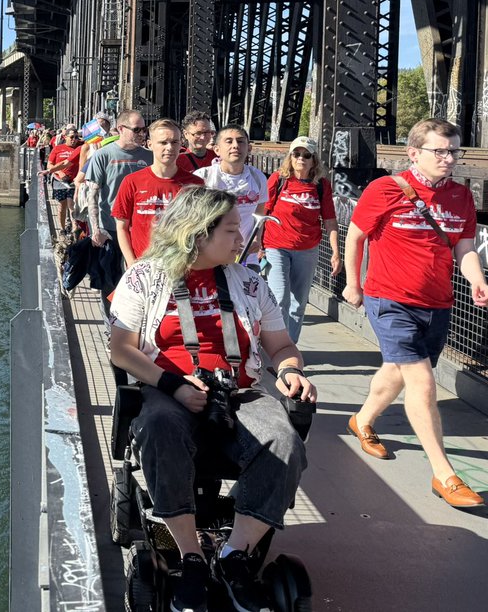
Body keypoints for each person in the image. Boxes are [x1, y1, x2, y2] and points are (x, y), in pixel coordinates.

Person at [110, 187, 315, 612]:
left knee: (284, 441)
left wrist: (292, 370)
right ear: (197, 234)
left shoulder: (248, 281)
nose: (242, 239)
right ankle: (190, 555)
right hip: (170, 389)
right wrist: (173, 386)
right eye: (231, 230)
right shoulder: (144, 278)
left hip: (238, 392)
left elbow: (280, 345)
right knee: (161, 427)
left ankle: (233, 554)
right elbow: (121, 349)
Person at [342, 117, 488, 509]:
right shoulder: (385, 189)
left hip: (437, 303)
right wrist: (354, 284)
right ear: (414, 153)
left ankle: (363, 420)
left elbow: (464, 247)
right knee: (422, 380)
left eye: (454, 150)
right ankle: (444, 474)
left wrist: (476, 279)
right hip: (389, 299)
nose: (449, 158)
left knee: (397, 372)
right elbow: (356, 235)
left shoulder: (461, 196)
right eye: (439, 150)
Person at [261, 136, 339, 343]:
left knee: (299, 301)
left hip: (307, 248)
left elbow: (330, 220)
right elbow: (263, 213)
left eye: (306, 155)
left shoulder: (321, 185)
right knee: (280, 299)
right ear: (290, 157)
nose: (300, 158)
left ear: (314, 160)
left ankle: (291, 346)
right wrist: (257, 244)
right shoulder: (279, 180)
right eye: (296, 154)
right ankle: (277, 348)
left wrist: (336, 252)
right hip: (276, 245)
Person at [77, 109, 152, 311]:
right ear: (121, 129)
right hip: (109, 228)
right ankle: (112, 326)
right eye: (137, 129)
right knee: (109, 279)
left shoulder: (150, 157)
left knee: (139, 279)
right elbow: (92, 195)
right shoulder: (103, 155)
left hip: (141, 229)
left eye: (144, 130)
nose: (142, 134)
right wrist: (96, 230)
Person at [112, 118, 200, 267]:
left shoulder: (195, 184)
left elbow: (200, 228)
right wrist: (132, 263)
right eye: (163, 142)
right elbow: (121, 227)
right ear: (150, 144)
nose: (169, 147)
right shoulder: (132, 182)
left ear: (181, 145)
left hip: (180, 266)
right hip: (142, 265)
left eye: (174, 142)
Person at [193, 124, 267, 265]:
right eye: (229, 141)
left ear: (249, 148)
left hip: (247, 255)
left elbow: (260, 212)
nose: (235, 146)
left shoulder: (258, 177)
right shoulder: (202, 177)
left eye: (240, 141)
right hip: (211, 257)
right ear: (217, 149)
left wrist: (257, 238)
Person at [45, 125, 84, 236]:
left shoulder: (81, 146)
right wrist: (60, 172)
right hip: (60, 181)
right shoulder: (58, 148)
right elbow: (49, 164)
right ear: (65, 137)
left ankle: (74, 228)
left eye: (76, 137)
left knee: (72, 205)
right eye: (71, 137)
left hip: (74, 181)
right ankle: (62, 229)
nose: (74, 139)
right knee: (62, 206)